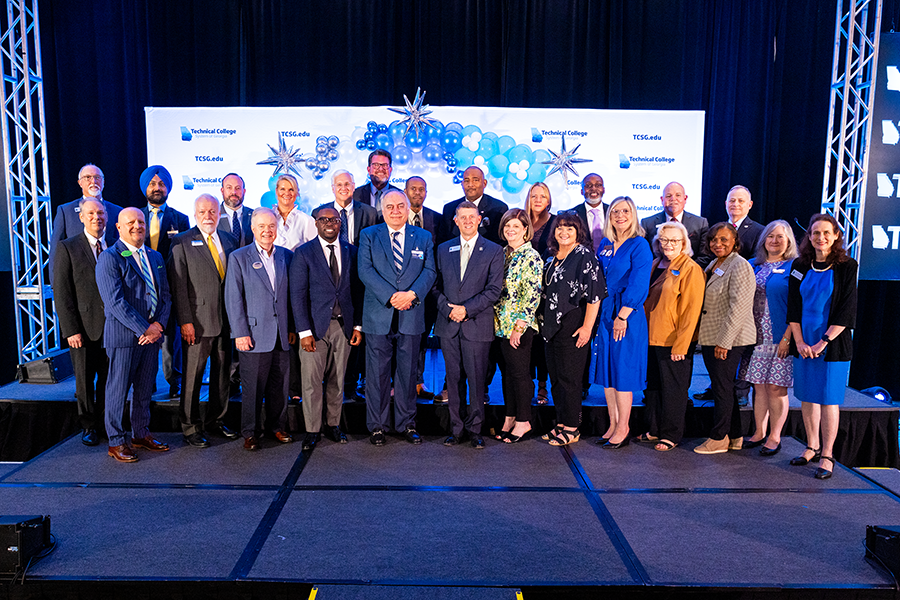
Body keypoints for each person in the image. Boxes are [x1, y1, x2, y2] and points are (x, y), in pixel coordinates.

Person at [357, 190, 436, 446]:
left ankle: (406, 423)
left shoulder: (423, 237)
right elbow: (364, 270)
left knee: (407, 373)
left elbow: (430, 271)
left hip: (411, 315)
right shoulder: (369, 235)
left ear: (407, 208)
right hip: (379, 314)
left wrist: (411, 294)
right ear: (382, 209)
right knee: (377, 374)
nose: (395, 210)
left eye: (400, 206)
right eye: (389, 206)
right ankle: (377, 426)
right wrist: (392, 296)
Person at [95, 208, 172, 462]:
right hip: (125, 338)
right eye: (130, 222)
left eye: (141, 221)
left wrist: (158, 326)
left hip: (151, 338)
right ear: (118, 227)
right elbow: (115, 303)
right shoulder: (110, 257)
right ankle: (116, 441)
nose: (137, 226)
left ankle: (141, 433)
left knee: (143, 390)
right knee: (117, 390)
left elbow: (165, 297)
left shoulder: (155, 256)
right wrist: (145, 328)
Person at [787, 214, 858, 479]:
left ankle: (827, 454)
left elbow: (846, 310)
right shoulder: (800, 264)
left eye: (826, 233)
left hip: (832, 342)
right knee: (807, 396)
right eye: (815, 233)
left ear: (837, 235)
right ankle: (811, 446)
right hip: (803, 340)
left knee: (828, 399)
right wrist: (800, 341)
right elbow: (793, 307)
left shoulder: (847, 266)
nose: (821, 238)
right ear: (809, 236)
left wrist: (822, 342)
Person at [167, 194, 240, 448]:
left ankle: (217, 421)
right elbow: (178, 286)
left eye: (212, 211)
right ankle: (190, 427)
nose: (208, 216)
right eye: (202, 211)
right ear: (195, 214)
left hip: (227, 321)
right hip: (196, 323)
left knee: (222, 376)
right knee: (192, 377)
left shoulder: (231, 240)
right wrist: (185, 321)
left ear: (218, 212)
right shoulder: (181, 241)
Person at [291, 207, 363, 451]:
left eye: (334, 219)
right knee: (311, 382)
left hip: (344, 326)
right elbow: (297, 295)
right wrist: (304, 332)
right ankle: (312, 430)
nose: (330, 223)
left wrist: (358, 325)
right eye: (324, 220)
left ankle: (333, 425)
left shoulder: (352, 252)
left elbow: (357, 291)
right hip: (314, 330)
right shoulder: (304, 253)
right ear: (316, 223)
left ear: (340, 222)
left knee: (338, 380)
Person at [224, 207, 295, 450]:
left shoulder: (287, 256)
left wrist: (292, 328)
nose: (267, 231)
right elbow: (233, 298)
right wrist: (240, 332)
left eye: (271, 226)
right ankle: (250, 432)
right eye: (262, 227)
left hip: (281, 335)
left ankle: (277, 427)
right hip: (252, 335)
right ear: (253, 229)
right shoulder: (239, 257)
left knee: (279, 386)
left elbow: (291, 297)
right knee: (253, 388)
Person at [435, 202, 504, 448]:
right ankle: (456, 429)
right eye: (461, 217)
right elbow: (434, 285)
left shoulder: (494, 251)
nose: (466, 221)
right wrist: (448, 309)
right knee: (452, 379)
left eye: (470, 217)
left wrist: (467, 309)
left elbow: (494, 290)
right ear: (455, 221)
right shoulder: (443, 249)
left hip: (476, 323)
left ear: (479, 219)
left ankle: (475, 430)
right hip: (448, 324)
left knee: (476, 379)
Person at [590, 196, 653, 448]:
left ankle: (624, 427)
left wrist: (622, 315)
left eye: (625, 211)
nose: (620, 215)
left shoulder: (640, 245)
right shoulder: (605, 243)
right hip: (605, 313)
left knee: (623, 372)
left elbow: (639, 283)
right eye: (615, 211)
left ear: (633, 214)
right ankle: (613, 423)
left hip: (626, 315)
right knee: (607, 371)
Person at [539, 212, 605, 447]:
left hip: (573, 322)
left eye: (569, 228)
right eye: (559, 228)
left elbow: (594, 296)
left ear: (579, 231)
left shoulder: (584, 256)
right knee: (556, 378)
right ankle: (560, 422)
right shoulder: (552, 255)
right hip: (550, 325)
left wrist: (587, 328)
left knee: (570, 378)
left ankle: (572, 427)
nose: (563, 232)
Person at [638, 221, 704, 451]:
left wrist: (681, 346)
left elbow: (691, 311)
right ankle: (654, 430)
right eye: (664, 240)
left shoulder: (690, 269)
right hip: (650, 337)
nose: (669, 244)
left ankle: (671, 434)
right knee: (653, 387)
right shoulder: (655, 263)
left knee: (674, 390)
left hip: (673, 341)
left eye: (675, 240)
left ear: (684, 243)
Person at [313, 170, 378, 402]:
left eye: (347, 184)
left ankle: (351, 386)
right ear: (332, 187)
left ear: (353, 186)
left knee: (353, 332)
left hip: (357, 277)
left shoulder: (369, 212)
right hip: (328, 279)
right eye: (339, 184)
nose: (343, 188)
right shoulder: (319, 212)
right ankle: (329, 390)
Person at [693, 223, 756, 454]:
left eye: (724, 239)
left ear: (735, 241)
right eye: (713, 240)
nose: (717, 244)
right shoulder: (716, 263)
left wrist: (724, 341)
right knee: (725, 388)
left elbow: (738, 307)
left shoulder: (739, 265)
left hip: (729, 339)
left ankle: (719, 437)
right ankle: (736, 435)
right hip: (712, 336)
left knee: (721, 388)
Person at [53, 198, 110, 446]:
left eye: (100, 212)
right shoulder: (68, 247)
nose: (96, 217)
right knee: (85, 381)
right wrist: (71, 330)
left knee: (109, 380)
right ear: (82, 217)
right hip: (83, 330)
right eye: (91, 213)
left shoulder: (118, 245)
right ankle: (88, 426)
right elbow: (62, 292)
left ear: (106, 216)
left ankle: (106, 422)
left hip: (112, 329)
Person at [739, 220, 798, 456]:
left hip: (780, 335)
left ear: (789, 241)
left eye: (780, 237)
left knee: (776, 387)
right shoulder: (753, 265)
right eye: (770, 236)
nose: (774, 240)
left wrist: (788, 338)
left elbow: (797, 305)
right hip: (755, 335)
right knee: (759, 386)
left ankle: (775, 436)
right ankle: (759, 432)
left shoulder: (795, 266)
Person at [140, 165, 190, 399]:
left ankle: (175, 382)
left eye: (161, 184)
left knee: (172, 339)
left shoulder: (180, 218)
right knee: (144, 337)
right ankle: (145, 382)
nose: (157, 188)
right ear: (144, 187)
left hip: (169, 288)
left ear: (168, 187)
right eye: (152, 183)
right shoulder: (134, 217)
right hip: (140, 290)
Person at [494, 209, 542, 442]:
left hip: (519, 327)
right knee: (507, 375)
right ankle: (510, 416)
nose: (511, 230)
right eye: (507, 226)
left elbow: (532, 295)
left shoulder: (531, 257)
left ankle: (524, 421)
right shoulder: (502, 253)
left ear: (526, 229)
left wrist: (519, 327)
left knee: (521, 375)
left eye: (516, 226)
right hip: (498, 325)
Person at [49, 164, 122, 286]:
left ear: (103, 181)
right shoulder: (66, 211)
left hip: (112, 281)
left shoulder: (118, 211)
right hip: (79, 283)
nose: (93, 181)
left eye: (97, 177)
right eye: (88, 177)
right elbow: (56, 250)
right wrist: (56, 284)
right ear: (80, 183)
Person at [405, 176, 444, 401]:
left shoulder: (437, 219)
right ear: (405, 191)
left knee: (421, 338)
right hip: (399, 293)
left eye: (421, 189)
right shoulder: (393, 218)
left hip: (428, 291)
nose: (417, 193)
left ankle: (418, 381)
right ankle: (401, 383)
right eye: (413, 189)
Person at [525, 182, 556, 405]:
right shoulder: (520, 220)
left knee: (542, 339)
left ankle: (543, 387)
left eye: (542, 196)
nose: (538, 199)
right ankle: (527, 385)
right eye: (534, 195)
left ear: (548, 200)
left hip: (547, 287)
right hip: (522, 289)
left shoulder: (556, 222)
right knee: (526, 338)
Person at [439, 166, 509, 246]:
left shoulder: (499, 208)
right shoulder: (449, 209)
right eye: (466, 180)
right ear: (462, 184)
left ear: (484, 183)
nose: (470, 184)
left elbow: (501, 243)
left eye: (475, 180)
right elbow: (443, 243)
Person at [640, 182, 709, 261]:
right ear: (662, 199)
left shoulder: (700, 223)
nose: (673, 199)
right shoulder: (647, 223)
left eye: (678, 195)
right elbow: (643, 256)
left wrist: (688, 271)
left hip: (690, 271)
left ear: (685, 198)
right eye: (668, 196)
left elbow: (704, 256)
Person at [273, 173, 317, 252]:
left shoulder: (307, 221)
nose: (287, 193)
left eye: (291, 189)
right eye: (282, 189)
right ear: (276, 191)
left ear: (297, 193)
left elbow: (315, 250)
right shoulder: (267, 218)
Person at [571, 173, 609, 252]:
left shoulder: (613, 211)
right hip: (582, 261)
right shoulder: (572, 215)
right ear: (582, 191)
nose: (593, 188)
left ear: (604, 190)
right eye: (588, 185)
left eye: (598, 185)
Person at [725, 185, 765, 260]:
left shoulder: (760, 231)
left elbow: (756, 259)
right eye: (732, 201)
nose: (735, 204)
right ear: (726, 204)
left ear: (750, 205)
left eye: (741, 201)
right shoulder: (717, 229)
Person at [218, 172, 254, 247]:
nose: (234, 192)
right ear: (222, 191)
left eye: (238, 188)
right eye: (229, 187)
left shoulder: (254, 215)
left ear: (244, 191)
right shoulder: (213, 216)